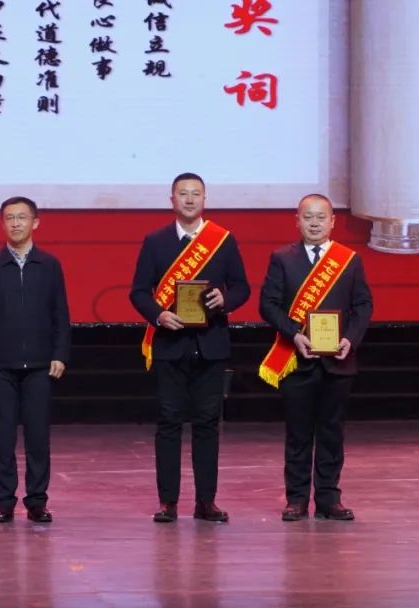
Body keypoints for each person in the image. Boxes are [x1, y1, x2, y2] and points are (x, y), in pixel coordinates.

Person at [129, 173, 250, 523]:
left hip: (211, 346)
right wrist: (158, 315)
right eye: (183, 193)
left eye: (196, 193)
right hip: (170, 346)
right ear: (172, 199)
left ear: (205, 199)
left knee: (207, 424)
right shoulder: (156, 241)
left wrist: (225, 300)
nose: (190, 199)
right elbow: (139, 291)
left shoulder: (222, 240)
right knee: (168, 423)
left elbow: (242, 287)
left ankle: (206, 502)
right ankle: (168, 502)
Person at [258, 194, 373, 521]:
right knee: (298, 433)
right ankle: (296, 499)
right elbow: (268, 305)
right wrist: (295, 334)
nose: (314, 223)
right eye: (308, 217)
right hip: (296, 360)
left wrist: (350, 339)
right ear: (297, 221)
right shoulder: (282, 258)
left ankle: (329, 498)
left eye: (321, 217)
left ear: (332, 222)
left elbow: (363, 305)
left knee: (332, 433)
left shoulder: (348, 260)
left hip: (338, 362)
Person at [0, 196, 71, 524]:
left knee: (38, 437)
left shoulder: (50, 265)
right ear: (2, 224)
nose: (15, 223)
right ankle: (4, 501)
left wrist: (60, 354)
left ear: (35, 222)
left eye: (22, 217)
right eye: (9, 218)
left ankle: (37, 501)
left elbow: (60, 314)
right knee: (2, 438)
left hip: (41, 365)